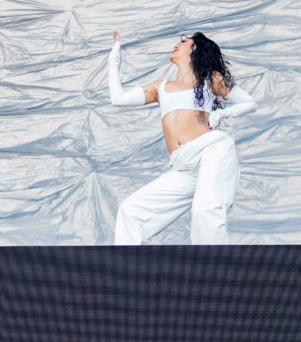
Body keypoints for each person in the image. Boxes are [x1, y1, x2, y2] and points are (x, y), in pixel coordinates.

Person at [109, 31, 258, 244]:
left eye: (184, 42)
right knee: (131, 211)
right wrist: (114, 56)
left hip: (211, 151)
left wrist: (219, 114)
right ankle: (124, 264)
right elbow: (118, 98)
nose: (176, 45)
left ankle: (214, 264)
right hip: (183, 164)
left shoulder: (210, 79)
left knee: (205, 211)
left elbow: (250, 103)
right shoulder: (160, 87)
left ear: (195, 50)